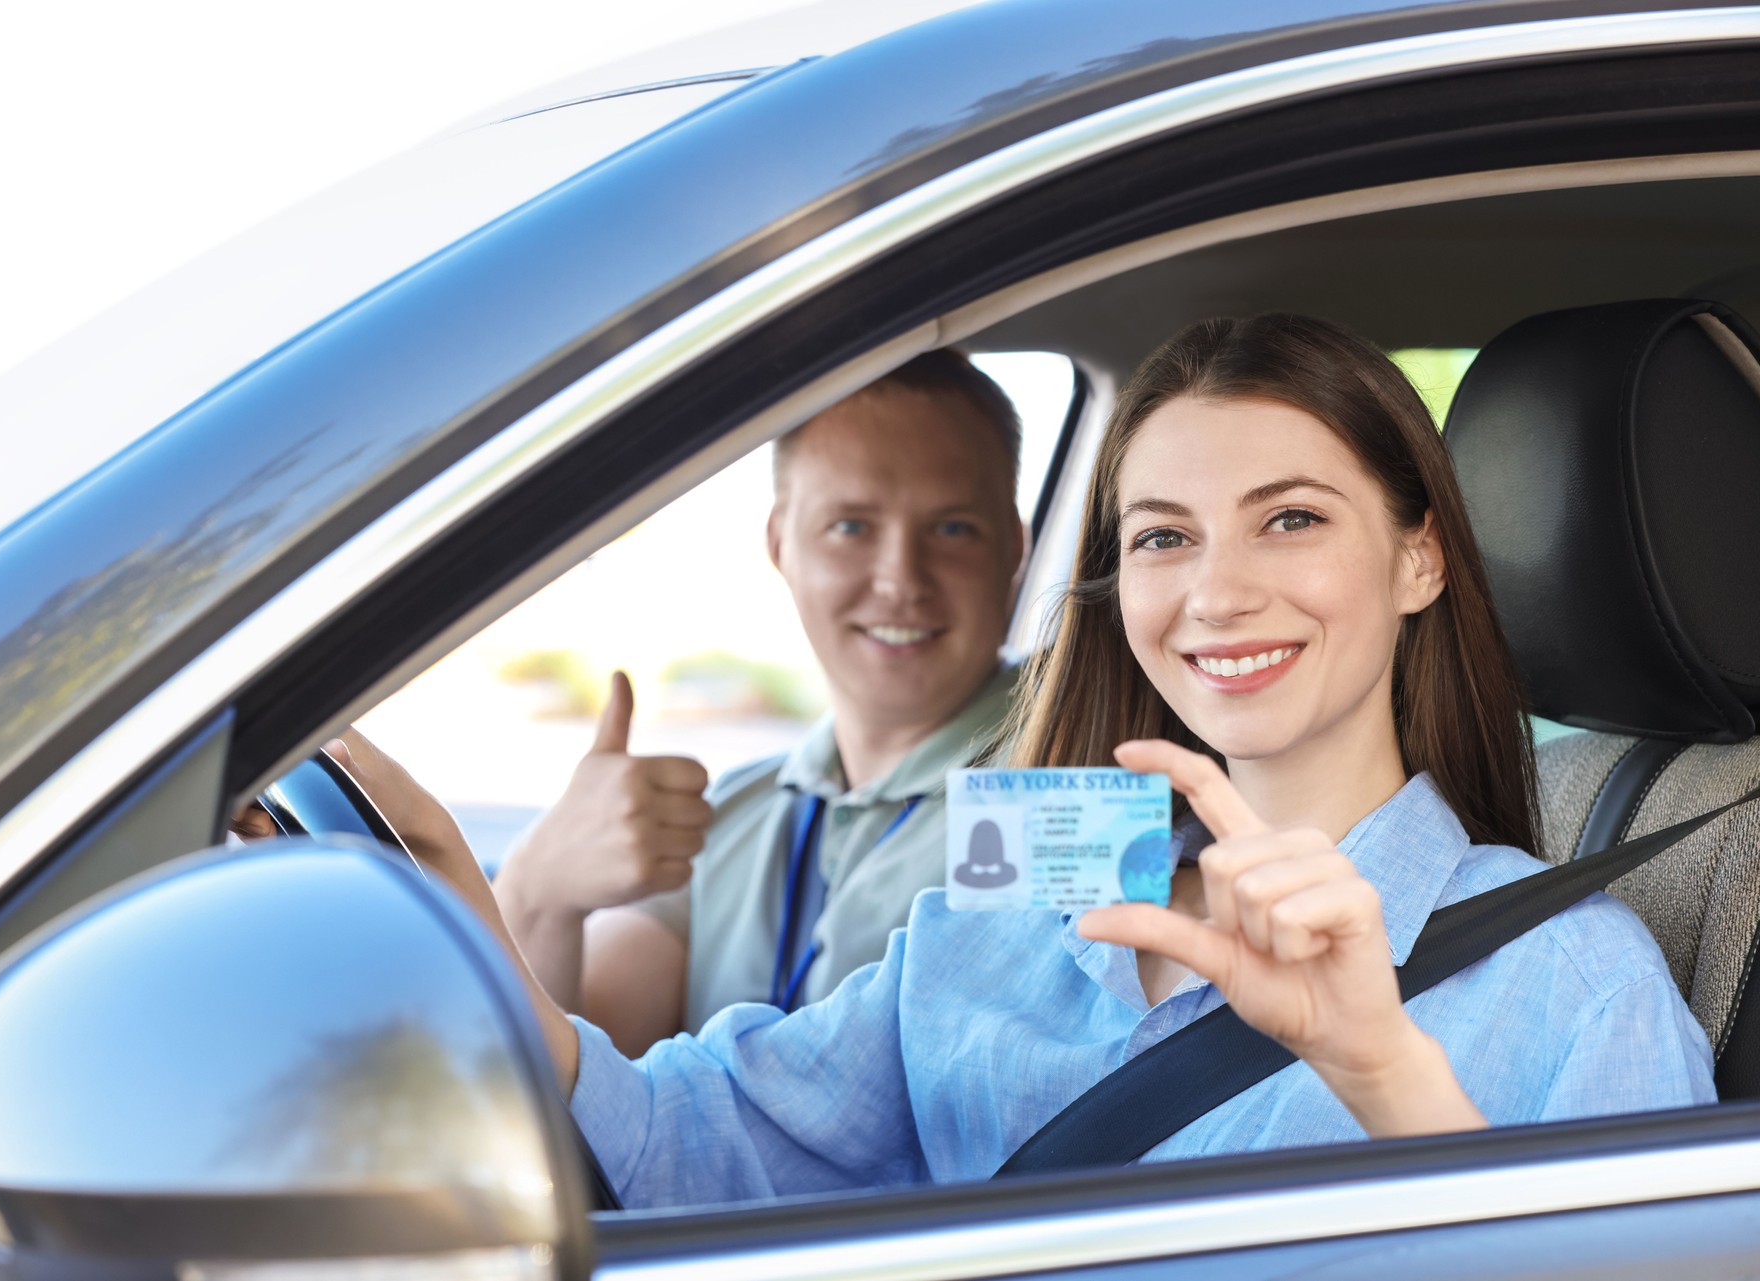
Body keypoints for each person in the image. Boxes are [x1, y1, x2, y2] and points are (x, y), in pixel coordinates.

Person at [333, 314, 1715, 1210]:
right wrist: (489, 941)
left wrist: (1382, 1072)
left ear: (1419, 557)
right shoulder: (1017, 902)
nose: (1216, 592)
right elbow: (704, 1143)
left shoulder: (1572, 978)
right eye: (1165, 536)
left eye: (1289, 520)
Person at [368, 350, 1029, 1055]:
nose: (901, 579)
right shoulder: (726, 816)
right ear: (780, 543)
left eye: (953, 528)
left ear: (1012, 548)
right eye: (851, 527)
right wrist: (539, 889)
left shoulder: (1068, 794)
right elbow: (588, 1078)